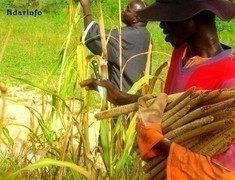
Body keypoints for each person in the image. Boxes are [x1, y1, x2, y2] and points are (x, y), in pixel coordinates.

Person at [80, 0, 235, 179]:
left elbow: (224, 170)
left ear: (195, 18)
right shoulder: (181, 54)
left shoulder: (229, 77)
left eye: (169, 17)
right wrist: (120, 98)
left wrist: (155, 140)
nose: (162, 25)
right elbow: (168, 108)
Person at [80, 0, 151, 92]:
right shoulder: (146, 34)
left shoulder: (125, 36)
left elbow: (93, 35)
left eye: (128, 10)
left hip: (123, 95)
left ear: (135, 19)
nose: (123, 9)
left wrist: (86, 7)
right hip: (138, 94)